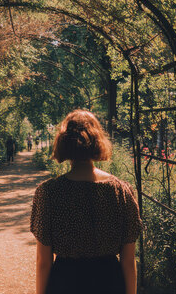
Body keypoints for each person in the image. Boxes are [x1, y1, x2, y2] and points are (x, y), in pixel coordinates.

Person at [30, 109, 142, 294]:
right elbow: (129, 261)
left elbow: (43, 261)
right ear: (98, 141)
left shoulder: (48, 193)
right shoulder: (121, 191)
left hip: (65, 283)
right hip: (109, 282)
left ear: (63, 143)